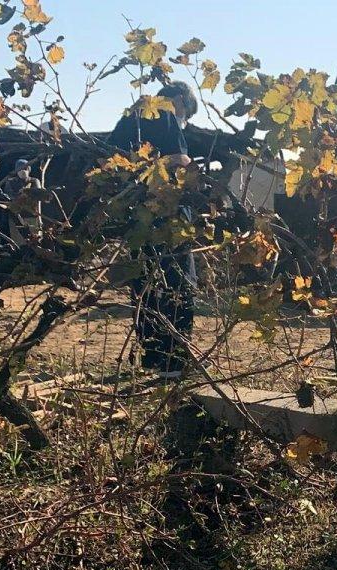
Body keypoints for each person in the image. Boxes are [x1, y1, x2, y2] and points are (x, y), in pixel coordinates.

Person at [108, 81, 198, 373]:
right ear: (181, 101)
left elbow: (109, 161)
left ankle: (151, 359)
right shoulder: (167, 114)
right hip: (167, 213)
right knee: (181, 283)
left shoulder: (129, 117)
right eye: (188, 114)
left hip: (136, 215)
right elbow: (180, 161)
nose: (185, 121)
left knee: (144, 285)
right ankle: (174, 360)